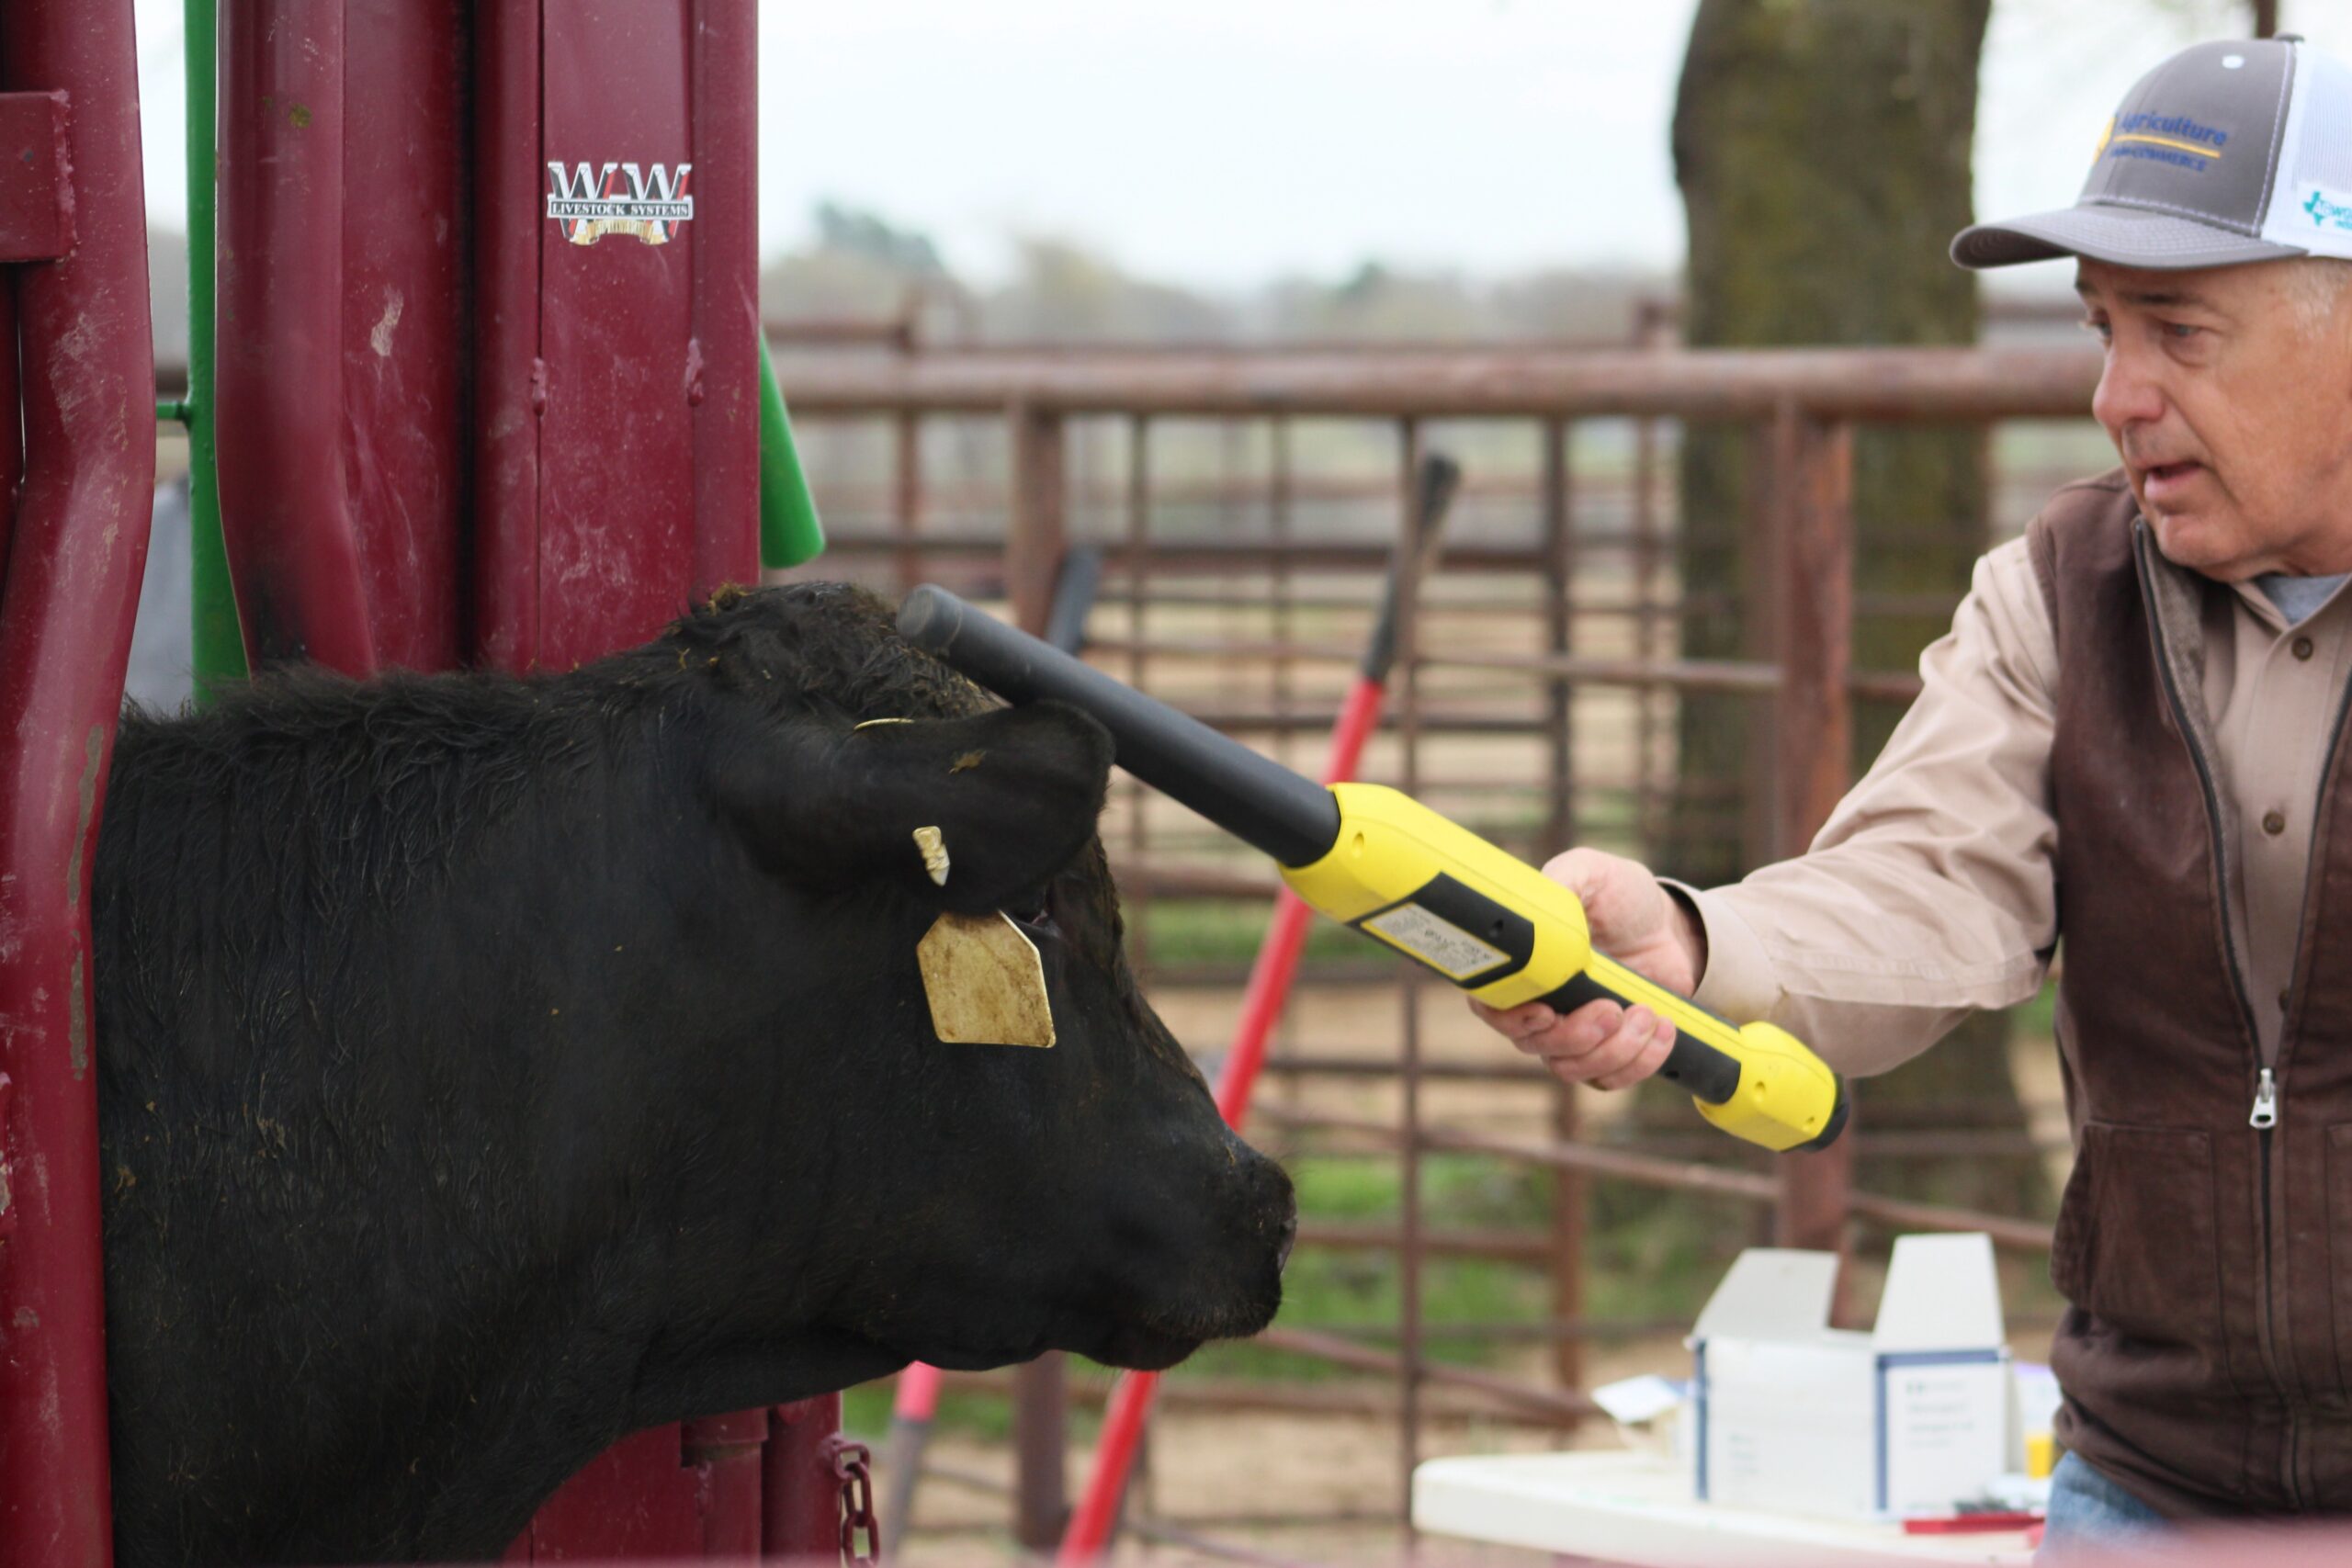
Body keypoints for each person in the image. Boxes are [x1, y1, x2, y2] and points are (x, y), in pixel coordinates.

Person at [1473, 34, 2352, 1550]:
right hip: (2151, 1479)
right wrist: (1690, 948)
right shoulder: (2061, 596)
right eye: (2098, 330)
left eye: (2178, 334)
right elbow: (1925, 879)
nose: (2115, 396)